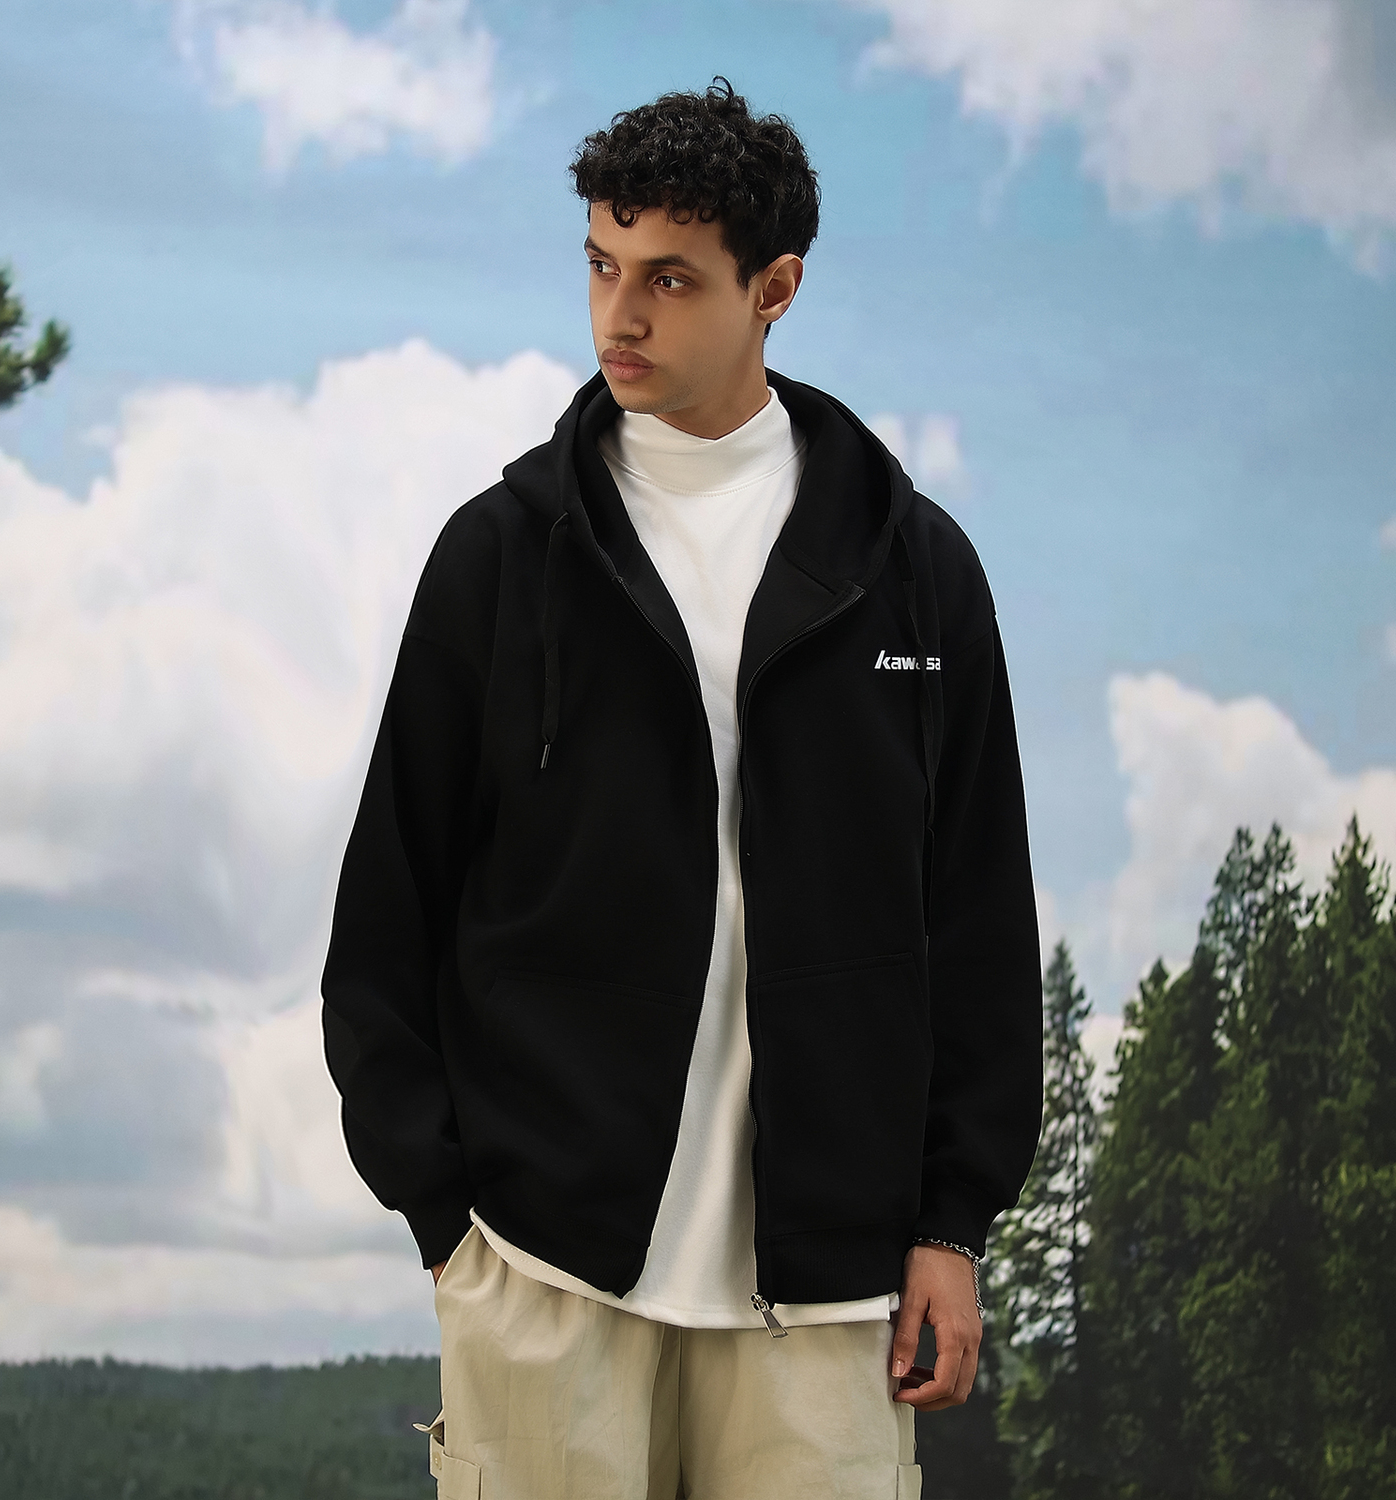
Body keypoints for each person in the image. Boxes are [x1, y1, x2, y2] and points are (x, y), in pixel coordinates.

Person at [322, 78, 1042, 1500]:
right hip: (543, 1270)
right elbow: (388, 906)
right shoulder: (501, 558)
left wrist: (952, 1223)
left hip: (828, 1294)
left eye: (669, 278)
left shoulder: (914, 571)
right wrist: (447, 1221)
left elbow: (976, 916)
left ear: (775, 289)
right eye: (602, 264)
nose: (620, 317)